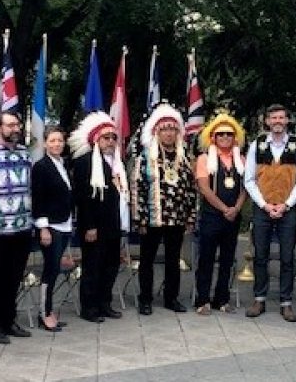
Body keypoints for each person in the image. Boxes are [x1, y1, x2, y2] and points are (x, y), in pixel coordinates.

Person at [244, 104, 296, 322]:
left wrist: (287, 205)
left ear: (287, 121)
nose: (277, 121)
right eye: (273, 118)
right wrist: (264, 205)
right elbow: (249, 180)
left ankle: (286, 302)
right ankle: (259, 299)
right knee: (260, 255)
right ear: (267, 121)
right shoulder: (257, 145)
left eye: (281, 117)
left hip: (287, 209)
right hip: (263, 208)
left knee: (287, 257)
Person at [132, 103, 197, 315]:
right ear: (156, 132)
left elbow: (190, 189)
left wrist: (190, 217)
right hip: (152, 218)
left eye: (172, 129)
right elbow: (137, 188)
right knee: (147, 260)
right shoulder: (145, 158)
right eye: (164, 129)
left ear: (178, 132)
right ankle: (145, 299)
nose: (168, 133)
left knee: (173, 259)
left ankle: (171, 298)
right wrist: (139, 218)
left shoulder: (184, 158)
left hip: (176, 218)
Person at [0, 111, 33, 344]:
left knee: (14, 277)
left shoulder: (24, 153)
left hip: (21, 226)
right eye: (10, 125)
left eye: (17, 125)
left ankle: (9, 321)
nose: (15, 129)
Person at [68, 112, 129, 323]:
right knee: (92, 267)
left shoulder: (118, 162)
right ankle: (89, 307)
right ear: (96, 139)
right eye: (106, 138)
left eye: (113, 138)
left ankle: (105, 303)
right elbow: (83, 198)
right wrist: (89, 226)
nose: (110, 141)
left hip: (114, 223)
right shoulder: (85, 162)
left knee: (111, 265)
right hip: (94, 225)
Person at [193, 111, 247, 315]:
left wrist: (236, 208)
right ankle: (203, 300)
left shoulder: (240, 158)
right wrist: (225, 209)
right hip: (212, 216)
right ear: (212, 137)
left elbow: (246, 187)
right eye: (220, 134)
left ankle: (222, 299)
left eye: (229, 134)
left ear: (235, 137)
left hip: (233, 216)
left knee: (227, 259)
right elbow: (204, 188)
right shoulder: (204, 158)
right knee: (206, 259)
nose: (225, 137)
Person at [31, 126, 74, 331]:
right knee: (50, 270)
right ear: (45, 143)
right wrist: (43, 228)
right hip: (51, 226)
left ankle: (49, 310)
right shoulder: (41, 167)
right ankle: (44, 313)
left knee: (56, 270)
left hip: (64, 224)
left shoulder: (62, 164)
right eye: (53, 140)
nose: (57, 144)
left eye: (60, 140)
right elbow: (38, 199)